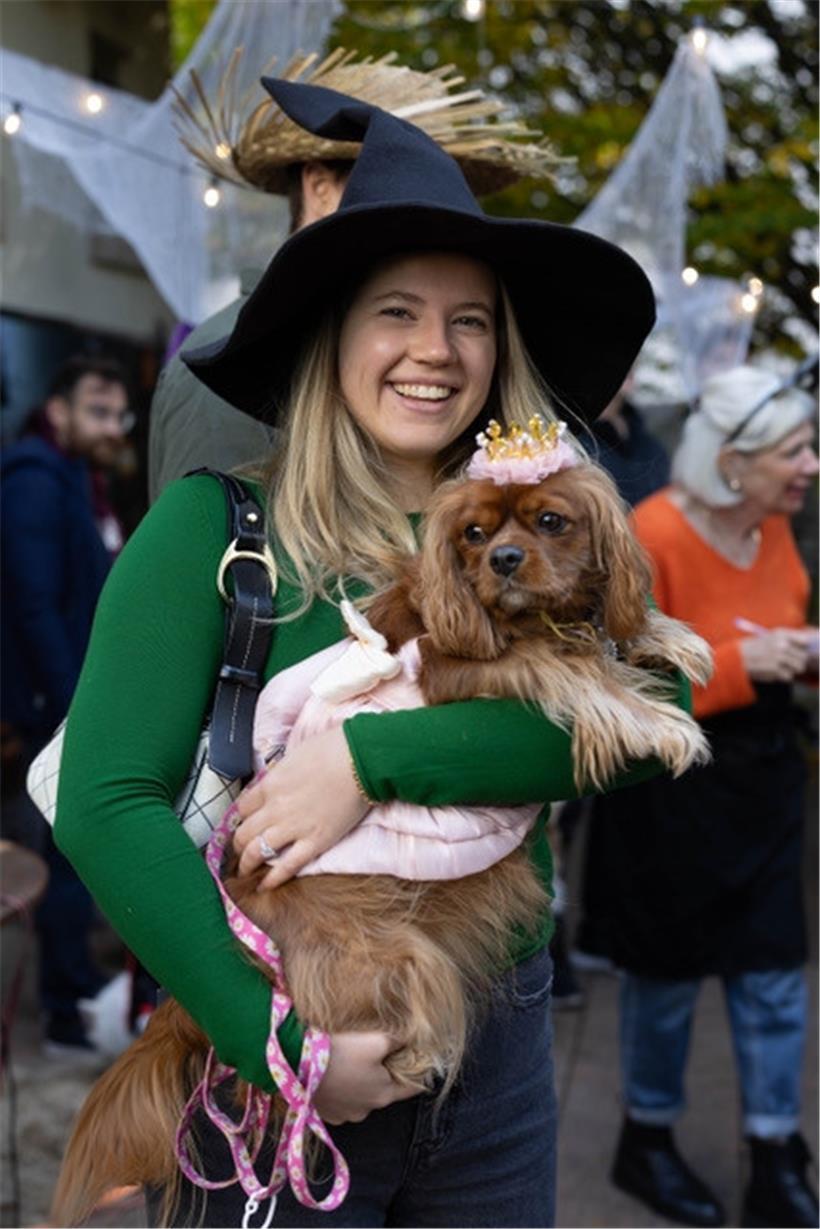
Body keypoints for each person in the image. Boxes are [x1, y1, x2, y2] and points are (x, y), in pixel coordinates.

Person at [54, 78, 678, 1228]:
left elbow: (653, 716)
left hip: (499, 1022)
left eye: (470, 319)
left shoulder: (538, 516)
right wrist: (277, 1043)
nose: (433, 351)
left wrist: (369, 758)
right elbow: (105, 802)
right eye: (396, 311)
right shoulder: (211, 527)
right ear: (332, 333)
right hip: (289, 1015)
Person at [595, 364, 819, 1228]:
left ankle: (775, 1154)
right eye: (795, 450)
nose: (812, 465)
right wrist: (739, 664)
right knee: (667, 979)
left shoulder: (773, 530)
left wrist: (801, 658)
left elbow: (779, 631)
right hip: (671, 789)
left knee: (774, 974)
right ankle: (644, 1141)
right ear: (734, 461)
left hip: (760, 782)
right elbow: (620, 685)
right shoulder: (653, 535)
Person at [148, 49, 556, 502]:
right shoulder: (233, 366)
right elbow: (220, 540)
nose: (443, 215)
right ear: (320, 186)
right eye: (399, 179)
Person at [1, 354, 131, 1055]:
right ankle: (63, 1010)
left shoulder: (81, 481)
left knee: (72, 847)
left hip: (73, 694)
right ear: (59, 412)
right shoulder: (33, 481)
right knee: (62, 852)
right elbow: (35, 605)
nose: (112, 425)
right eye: (98, 411)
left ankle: (76, 994)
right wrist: (75, 704)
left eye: (119, 413)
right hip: (57, 700)